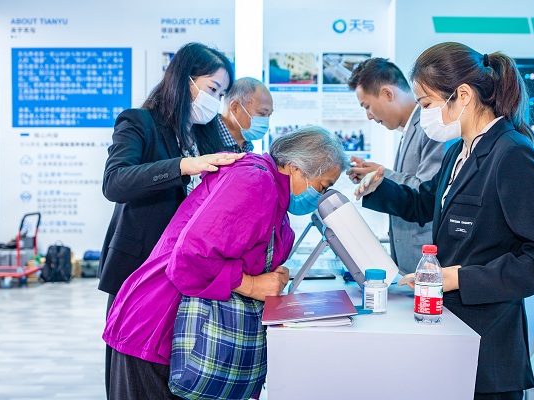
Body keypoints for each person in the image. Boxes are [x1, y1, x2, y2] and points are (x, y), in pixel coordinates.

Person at [355, 42, 534, 399]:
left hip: (489, 349)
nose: (423, 114)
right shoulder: (458, 152)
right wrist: (378, 188)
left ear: (462, 95)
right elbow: (425, 203)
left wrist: (459, 277)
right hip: (452, 334)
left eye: (426, 104)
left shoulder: (512, 155)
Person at [103, 126, 348, 400]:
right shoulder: (255, 182)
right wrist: (252, 285)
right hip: (158, 325)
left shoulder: (274, 195)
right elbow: (192, 257)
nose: (320, 196)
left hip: (178, 327)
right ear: (295, 168)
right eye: (322, 186)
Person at [98, 42, 240, 398]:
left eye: (221, 94)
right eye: (212, 89)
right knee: (134, 373)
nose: (215, 101)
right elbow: (115, 182)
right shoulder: (139, 122)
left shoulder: (206, 134)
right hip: (139, 269)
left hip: (183, 271)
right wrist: (182, 166)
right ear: (184, 79)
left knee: (173, 372)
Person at [347, 58, 443, 274]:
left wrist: (382, 176)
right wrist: (376, 174)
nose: (369, 116)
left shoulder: (431, 127)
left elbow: (427, 191)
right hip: (408, 262)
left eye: (367, 106)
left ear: (387, 94)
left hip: (426, 260)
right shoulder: (408, 130)